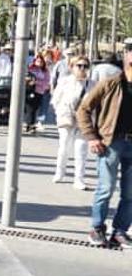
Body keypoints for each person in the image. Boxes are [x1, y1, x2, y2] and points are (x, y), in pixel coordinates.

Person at [76, 49, 132, 249]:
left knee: (130, 194)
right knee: (106, 188)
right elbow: (83, 109)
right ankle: (97, 228)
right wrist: (91, 137)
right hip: (111, 143)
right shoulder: (110, 83)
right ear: (126, 57)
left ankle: (120, 231)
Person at [53, 55, 91, 190]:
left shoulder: (92, 84)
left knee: (81, 149)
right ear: (72, 67)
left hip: (84, 119)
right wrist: (61, 112)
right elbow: (56, 99)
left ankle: (79, 179)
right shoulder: (64, 81)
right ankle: (60, 172)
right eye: (79, 65)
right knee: (64, 146)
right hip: (67, 116)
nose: (82, 68)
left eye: (85, 66)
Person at [25, 54, 51, 133]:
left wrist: (36, 82)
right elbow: (25, 77)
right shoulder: (31, 68)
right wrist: (28, 80)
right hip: (29, 91)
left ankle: (31, 124)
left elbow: (46, 83)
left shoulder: (45, 71)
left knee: (35, 109)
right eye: (37, 61)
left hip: (39, 91)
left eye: (41, 61)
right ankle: (30, 125)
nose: (39, 63)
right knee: (30, 108)